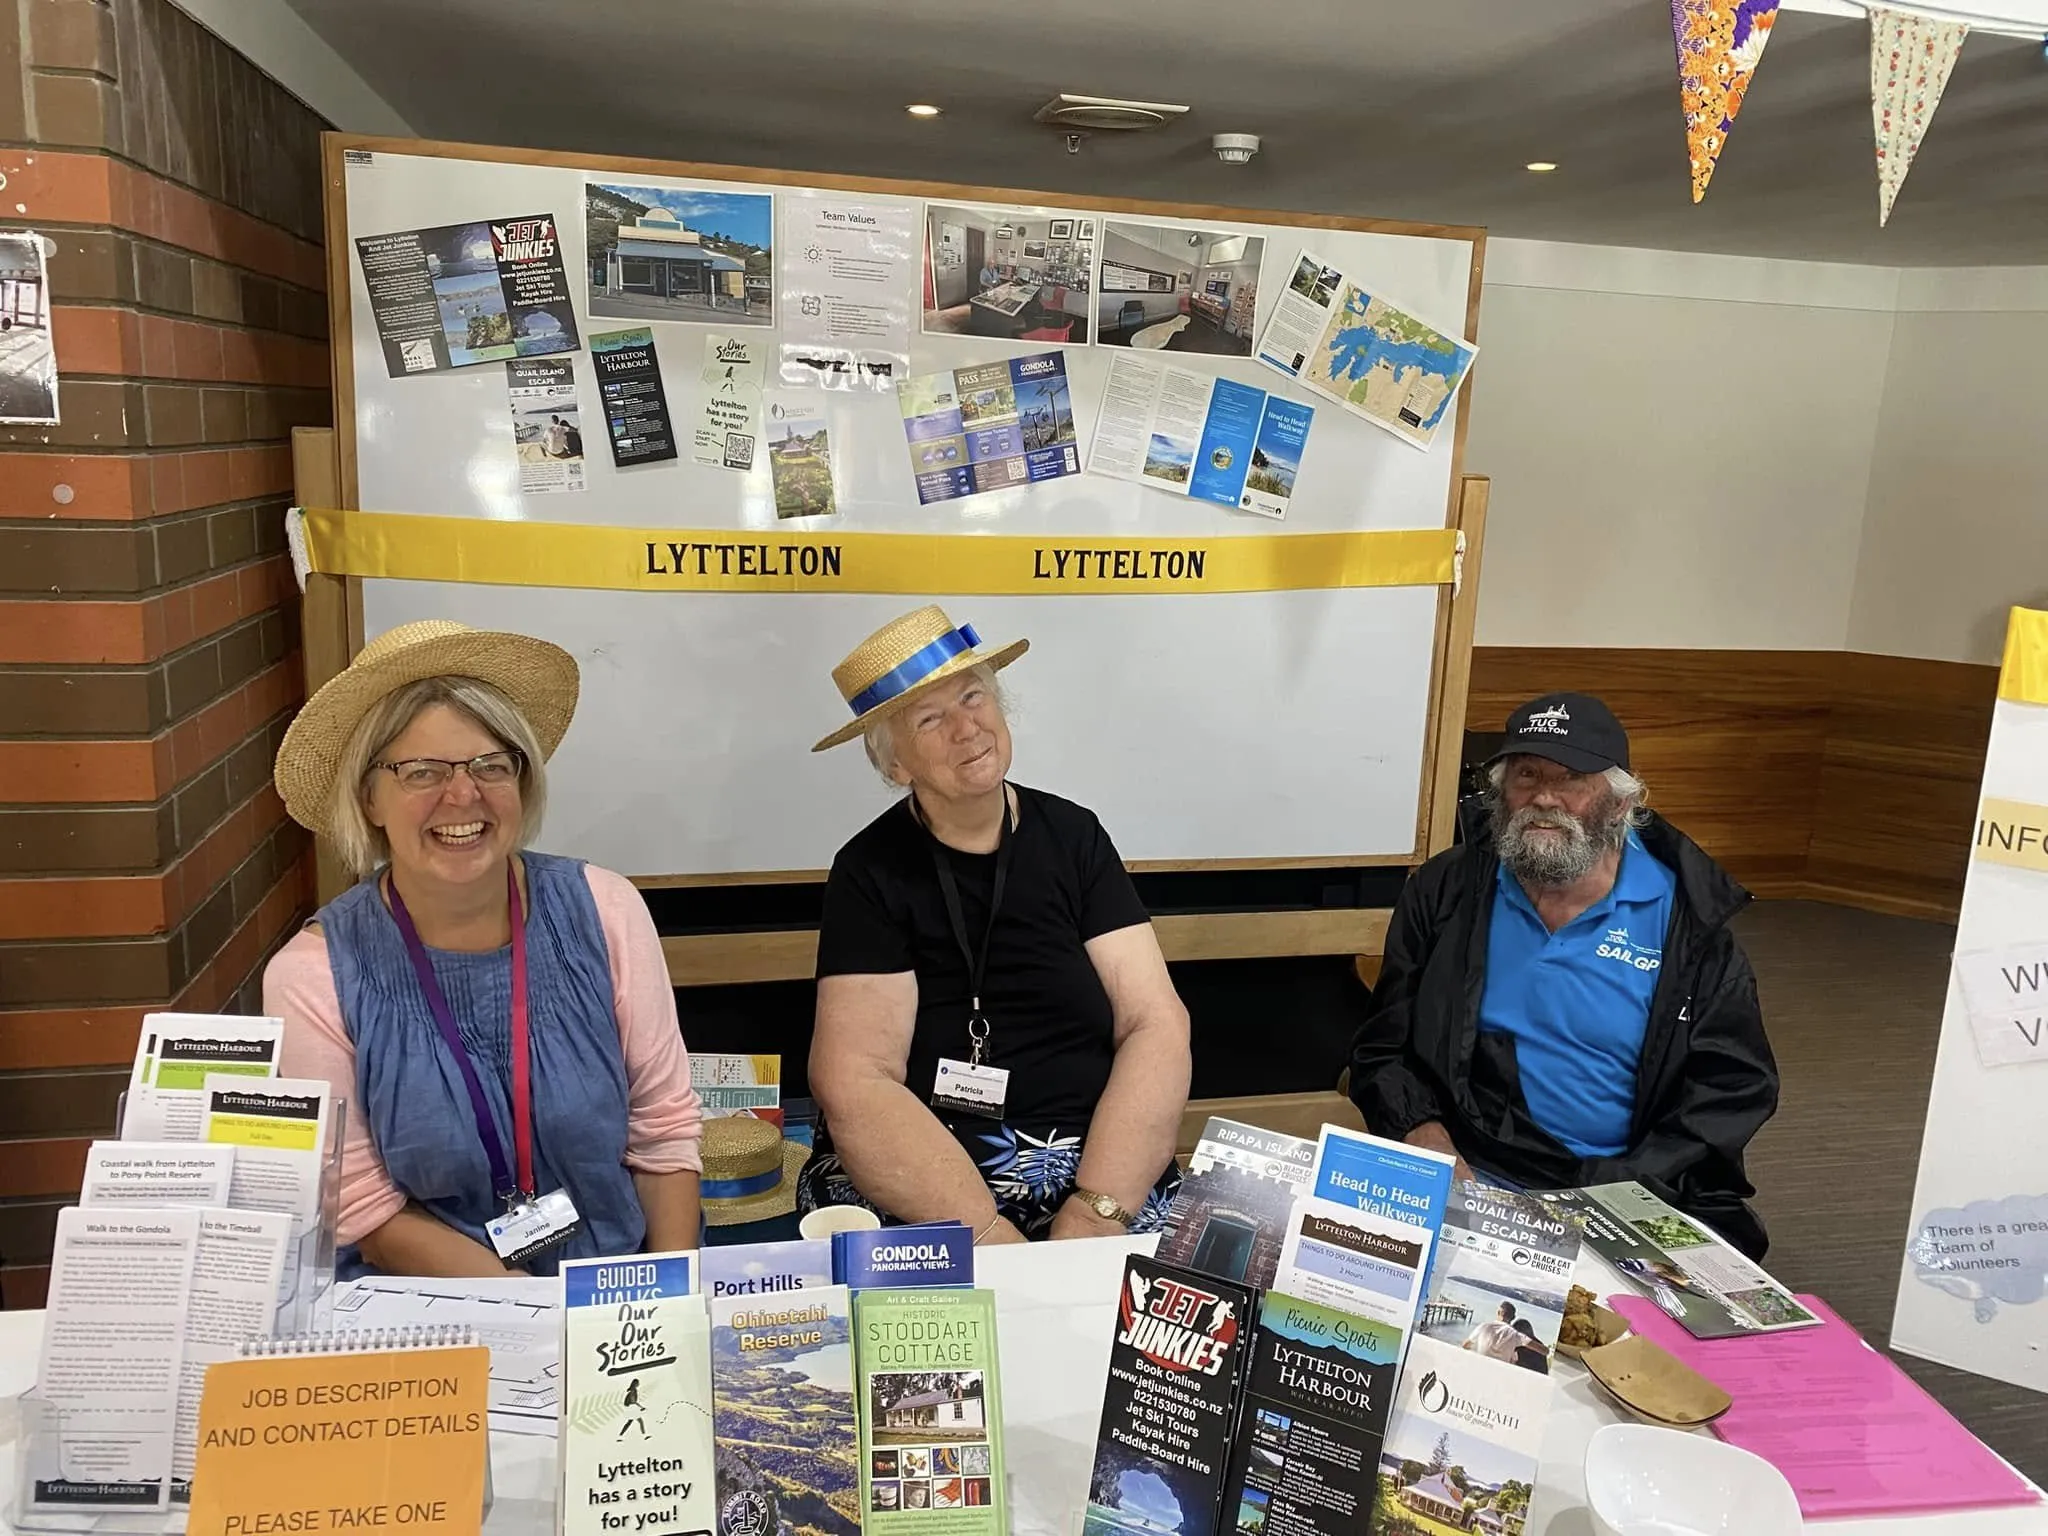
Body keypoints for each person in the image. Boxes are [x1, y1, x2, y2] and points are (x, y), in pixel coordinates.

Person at [265, 620, 702, 1278]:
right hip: (434, 1310)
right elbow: (360, 1207)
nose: (463, 795)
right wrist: (522, 1307)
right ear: (369, 797)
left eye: (490, 765)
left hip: (619, 1292)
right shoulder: (313, 975)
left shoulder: (606, 910)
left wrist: (670, 1296)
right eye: (421, 772)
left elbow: (664, 1133)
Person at [799, 606, 1191, 1243]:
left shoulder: (1075, 837)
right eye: (930, 718)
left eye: (973, 696)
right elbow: (854, 1076)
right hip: (932, 1165)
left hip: (1097, 1157)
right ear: (895, 765)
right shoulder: (868, 870)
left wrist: (1099, 1209)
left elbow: (1156, 1022)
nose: (966, 728)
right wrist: (982, 1233)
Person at [1349, 693, 1778, 1258]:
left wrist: (1613, 1194)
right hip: (1475, 1168)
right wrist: (1421, 1131)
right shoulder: (1448, 890)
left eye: (1573, 779)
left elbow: (1733, 1089)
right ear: (1500, 792)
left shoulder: (1687, 923)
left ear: (1620, 804)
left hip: (1631, 1188)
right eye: (1527, 775)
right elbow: (1384, 1047)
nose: (1545, 799)